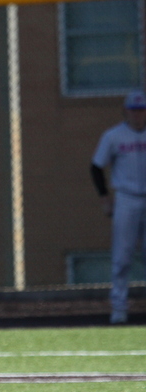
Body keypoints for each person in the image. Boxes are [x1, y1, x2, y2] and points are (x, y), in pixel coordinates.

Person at [90, 89, 146, 325]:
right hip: (126, 198)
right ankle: (119, 308)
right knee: (122, 257)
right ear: (125, 111)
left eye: (141, 111)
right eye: (133, 111)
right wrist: (105, 198)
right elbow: (96, 167)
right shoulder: (114, 136)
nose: (137, 115)